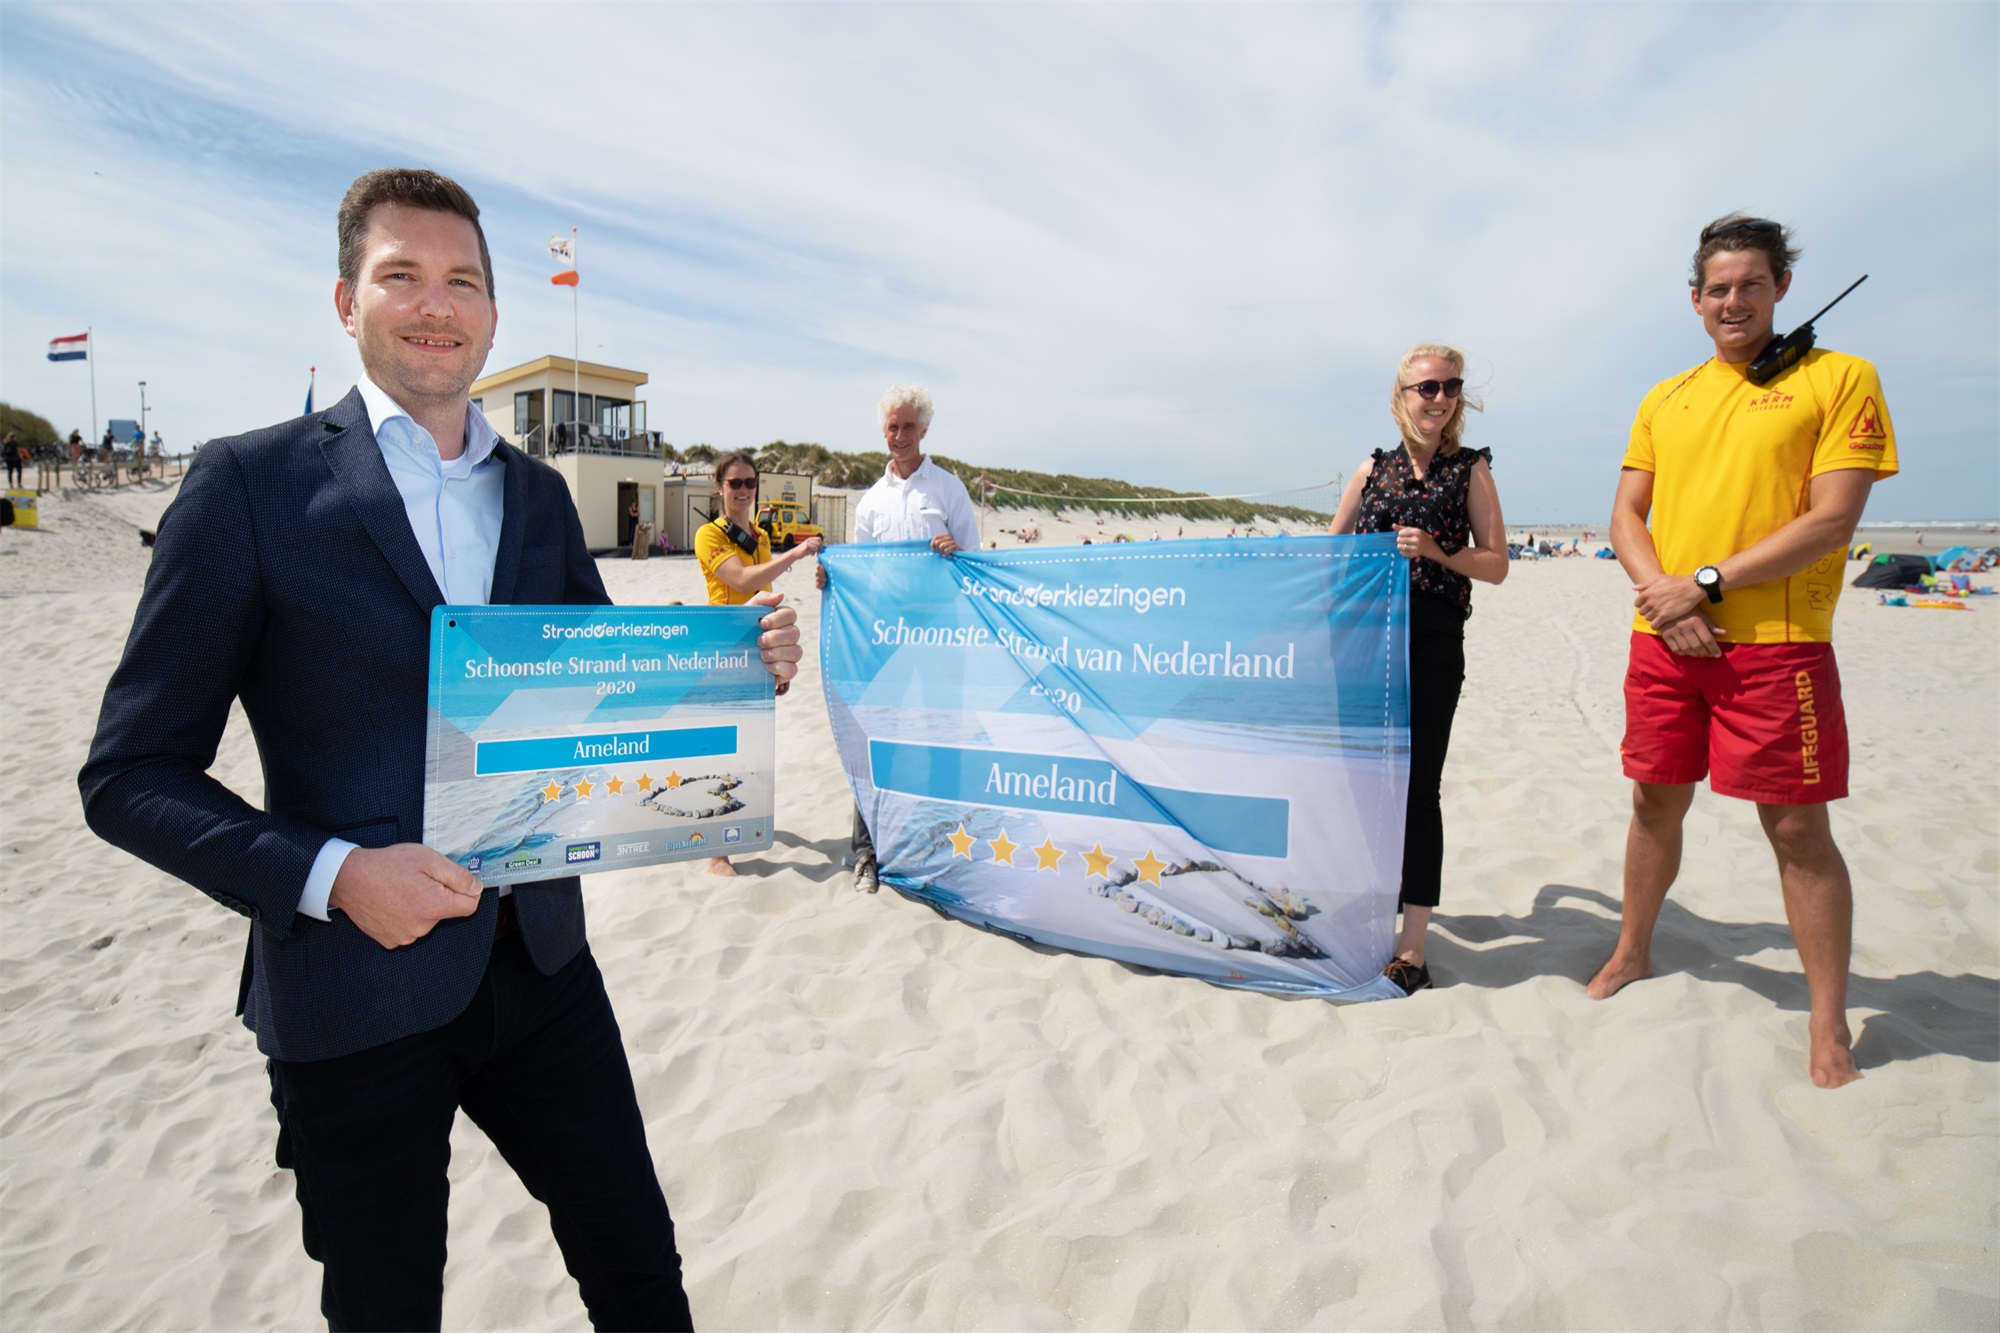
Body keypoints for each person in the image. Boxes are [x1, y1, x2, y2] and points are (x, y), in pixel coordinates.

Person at [77, 167, 802, 1330]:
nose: (435, 304)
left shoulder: (539, 496)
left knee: (640, 1276)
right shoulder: (248, 487)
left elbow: (601, 695)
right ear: (344, 301)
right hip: (351, 993)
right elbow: (128, 777)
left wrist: (738, 671)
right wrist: (333, 875)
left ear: (493, 315)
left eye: (461, 280)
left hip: (544, 968)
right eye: (400, 275)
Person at [1586, 214, 1897, 1090]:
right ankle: (1633, 949)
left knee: (1796, 828)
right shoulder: (1667, 395)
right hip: (1664, 637)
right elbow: (1625, 518)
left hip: (1777, 644)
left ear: (1780, 289)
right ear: (1695, 299)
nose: (1733, 300)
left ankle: (1827, 1022)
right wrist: (1664, 594)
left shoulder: (1841, 379)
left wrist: (1706, 584)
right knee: (1653, 802)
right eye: (1717, 288)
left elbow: (1832, 519)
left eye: (1750, 284)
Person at [1330, 343, 1507, 994]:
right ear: (1401, 395)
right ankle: (1369, 908)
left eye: (1450, 387)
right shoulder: (1371, 470)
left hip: (1432, 642)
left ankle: (1413, 945)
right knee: (1363, 782)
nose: (1439, 398)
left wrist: (1438, 551)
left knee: (1418, 788)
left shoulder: (1471, 470)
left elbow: (1497, 563)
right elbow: (1331, 554)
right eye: (1426, 387)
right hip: (1366, 643)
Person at [815, 384, 977, 892]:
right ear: (883, 431)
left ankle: (944, 841)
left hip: (943, 640)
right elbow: (861, 572)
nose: (899, 435)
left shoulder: (949, 489)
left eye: (908, 426)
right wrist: (832, 578)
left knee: (942, 742)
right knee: (871, 741)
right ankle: (866, 852)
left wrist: (955, 554)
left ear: (924, 430)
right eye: (892, 427)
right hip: (883, 641)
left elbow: (975, 564)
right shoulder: (871, 501)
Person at [694, 449, 822, 875]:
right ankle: (716, 852)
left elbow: (764, 596)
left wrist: (776, 666)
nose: (744, 491)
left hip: (757, 651)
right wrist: (798, 553)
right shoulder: (708, 536)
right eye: (735, 483)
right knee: (721, 754)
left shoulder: (761, 537)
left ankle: (736, 828)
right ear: (719, 487)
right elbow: (743, 581)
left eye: (750, 483)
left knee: (752, 752)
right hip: (722, 653)